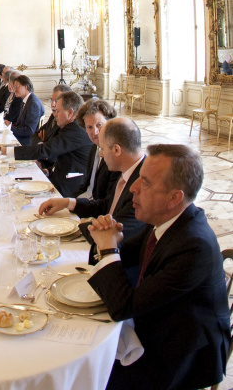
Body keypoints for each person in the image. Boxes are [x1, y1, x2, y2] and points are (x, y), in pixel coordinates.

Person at [88, 144, 231, 390]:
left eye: (145, 182)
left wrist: (109, 249)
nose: (133, 187)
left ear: (175, 198)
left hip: (183, 352)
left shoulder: (194, 245)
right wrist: (106, 239)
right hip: (158, 321)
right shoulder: (164, 220)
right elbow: (126, 255)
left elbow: (125, 307)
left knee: (93, 375)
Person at [39, 117, 149, 255]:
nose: (100, 154)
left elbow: (113, 233)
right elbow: (106, 205)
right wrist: (67, 202)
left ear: (116, 150)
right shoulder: (127, 170)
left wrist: (82, 225)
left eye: (102, 149)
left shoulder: (143, 183)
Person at [21, 90, 92, 196]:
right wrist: (47, 171)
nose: (55, 114)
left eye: (58, 111)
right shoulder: (68, 125)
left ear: (70, 112)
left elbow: (48, 149)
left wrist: (3, 151)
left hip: (70, 187)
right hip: (58, 176)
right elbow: (63, 160)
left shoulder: (76, 129)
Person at [73, 98, 120, 201]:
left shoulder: (115, 155)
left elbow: (105, 201)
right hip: (85, 199)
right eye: (89, 127)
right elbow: (86, 186)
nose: (95, 132)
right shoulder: (94, 147)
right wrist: (69, 201)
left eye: (99, 125)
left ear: (109, 123)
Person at [9, 75, 46, 146]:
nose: (14, 90)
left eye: (17, 86)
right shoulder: (27, 100)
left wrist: (9, 128)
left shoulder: (33, 104)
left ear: (26, 86)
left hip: (26, 141)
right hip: (22, 136)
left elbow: (29, 131)